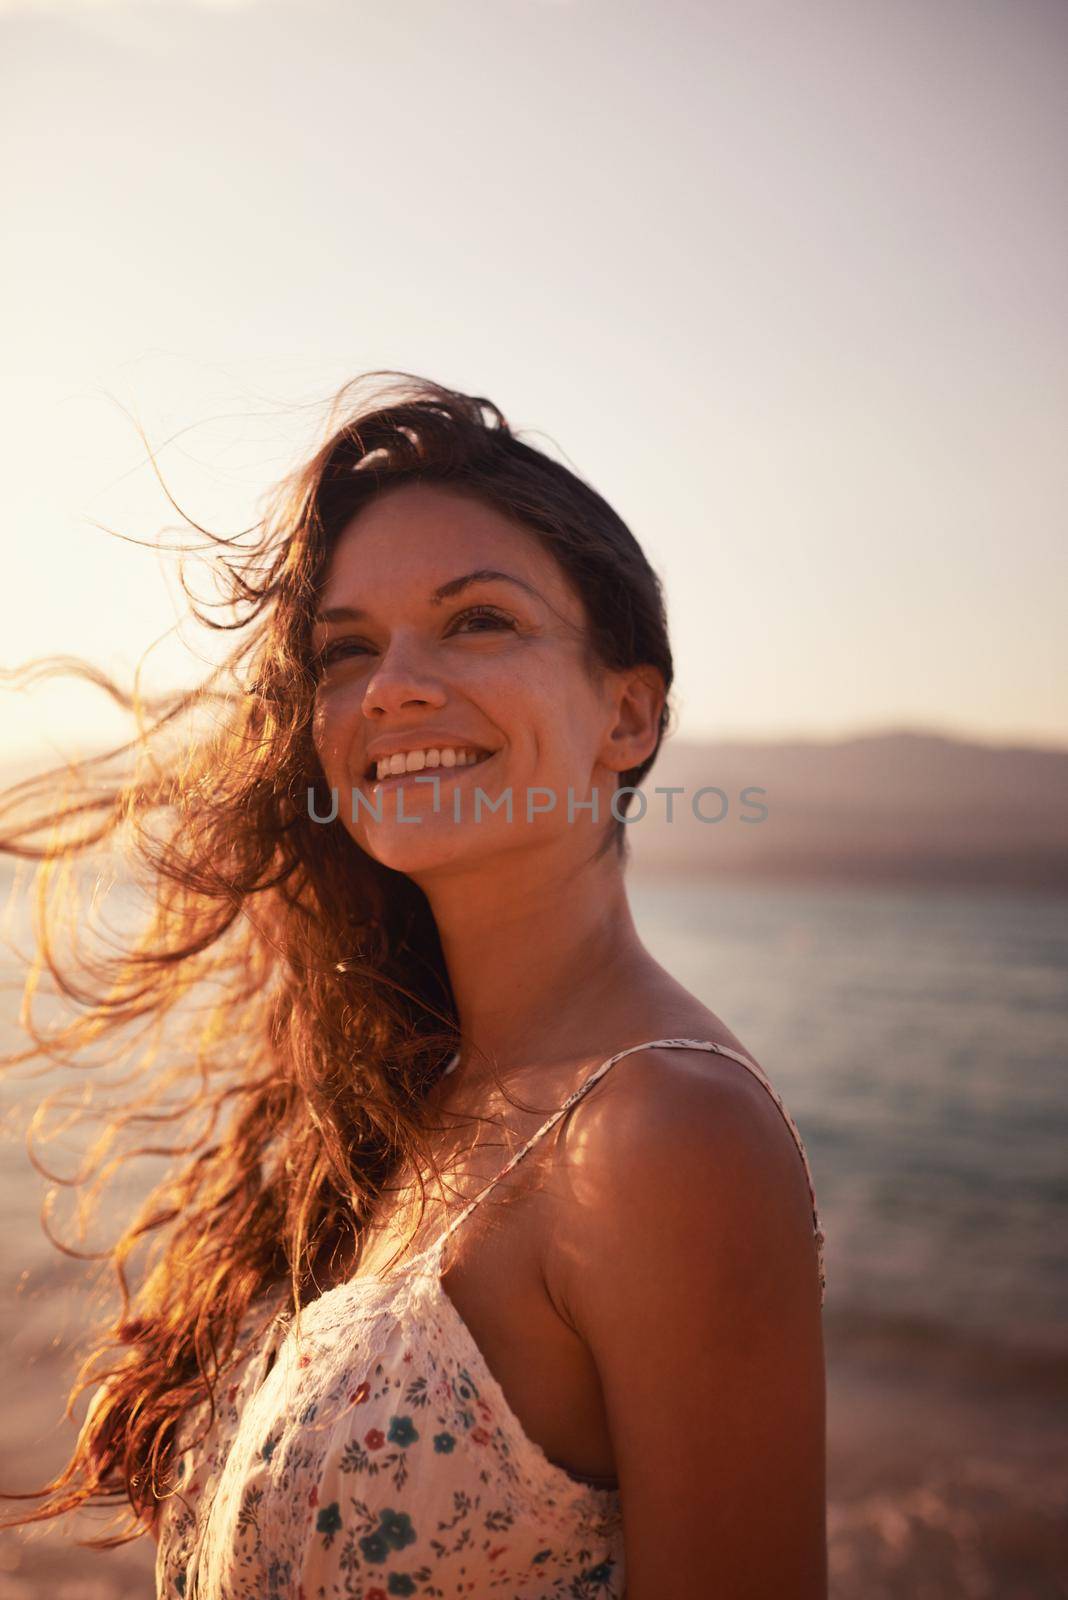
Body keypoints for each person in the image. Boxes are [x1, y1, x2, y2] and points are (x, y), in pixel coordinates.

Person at [0, 374, 827, 1598]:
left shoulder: (665, 1134)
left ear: (630, 712)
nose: (392, 686)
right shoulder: (398, 1098)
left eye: (478, 620)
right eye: (348, 650)